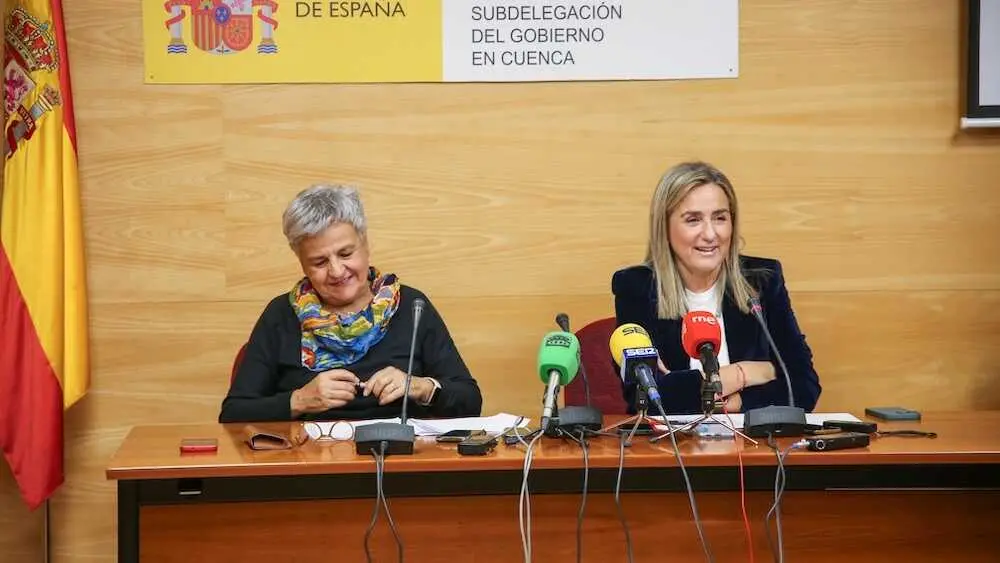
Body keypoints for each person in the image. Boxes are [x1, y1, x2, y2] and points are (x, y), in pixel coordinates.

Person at [220, 185, 482, 422]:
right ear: (300, 261)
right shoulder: (282, 314)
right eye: (319, 262)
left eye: (346, 254)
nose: (336, 271)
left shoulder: (412, 306)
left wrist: (421, 388)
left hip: (400, 462)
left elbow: (470, 401)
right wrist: (298, 401)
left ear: (365, 243)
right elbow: (234, 413)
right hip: (308, 465)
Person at [612, 161, 821, 414]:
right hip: (673, 447)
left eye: (720, 218)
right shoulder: (637, 288)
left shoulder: (762, 281)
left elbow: (803, 387)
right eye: (693, 220)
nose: (710, 234)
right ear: (665, 228)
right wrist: (743, 374)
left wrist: (741, 401)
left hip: (755, 447)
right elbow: (646, 397)